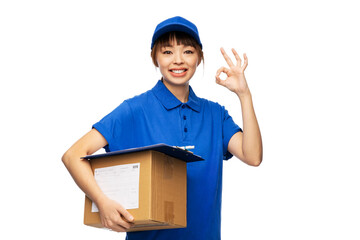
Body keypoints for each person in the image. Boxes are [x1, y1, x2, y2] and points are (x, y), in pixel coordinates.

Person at [62, 16, 262, 240]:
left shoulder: (215, 114)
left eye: (187, 51)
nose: (178, 60)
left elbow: (253, 156)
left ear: (199, 57)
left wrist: (244, 95)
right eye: (167, 52)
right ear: (155, 58)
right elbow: (73, 155)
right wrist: (102, 201)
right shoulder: (135, 110)